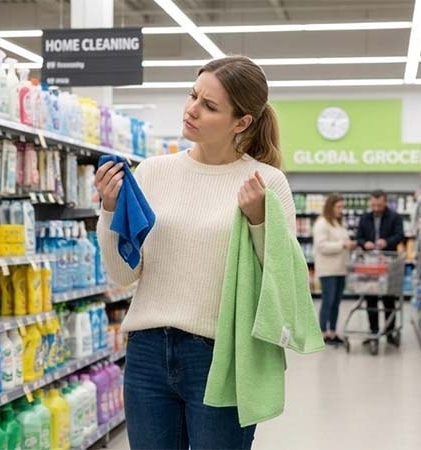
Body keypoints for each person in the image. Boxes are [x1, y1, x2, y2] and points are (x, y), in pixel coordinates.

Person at [95, 56, 296, 450]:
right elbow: (122, 275)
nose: (192, 110)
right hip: (147, 355)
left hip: (221, 358)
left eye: (209, 106)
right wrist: (107, 209)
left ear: (242, 123)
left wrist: (258, 220)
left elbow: (282, 280)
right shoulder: (152, 172)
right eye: (193, 95)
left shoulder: (267, 183)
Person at [355, 190, 405, 346]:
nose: (376, 208)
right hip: (370, 264)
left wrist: (387, 242)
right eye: (373, 205)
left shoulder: (395, 217)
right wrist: (365, 243)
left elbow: (400, 235)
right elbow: (359, 237)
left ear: (385, 203)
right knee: (370, 299)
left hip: (388, 262)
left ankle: (389, 333)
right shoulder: (365, 218)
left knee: (389, 299)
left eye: (379, 205)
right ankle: (373, 332)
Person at [313, 194, 356, 346]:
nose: (341, 210)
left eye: (342, 207)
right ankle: (323, 333)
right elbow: (321, 246)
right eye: (338, 207)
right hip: (328, 270)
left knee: (336, 302)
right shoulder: (322, 223)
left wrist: (349, 244)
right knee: (328, 301)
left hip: (340, 269)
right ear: (330, 207)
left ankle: (333, 331)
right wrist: (342, 245)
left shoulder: (338, 224)